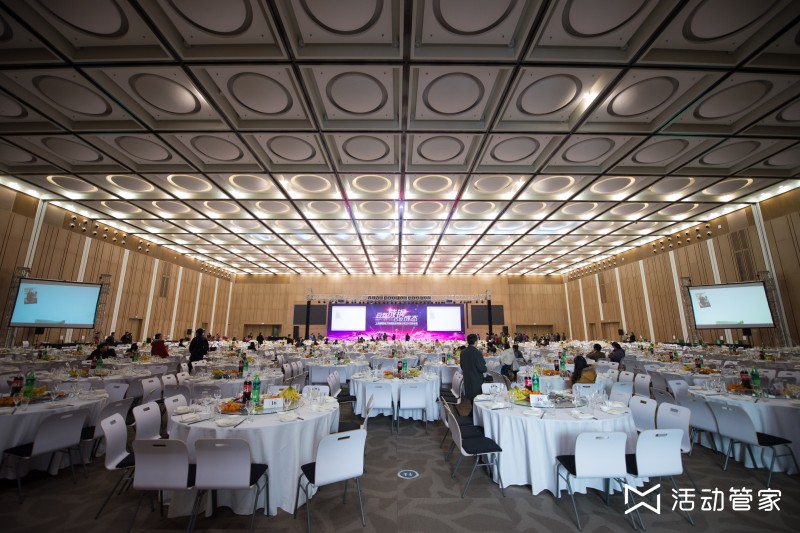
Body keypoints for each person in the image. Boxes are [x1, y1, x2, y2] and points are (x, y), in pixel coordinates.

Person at [460, 333, 487, 413]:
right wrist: (486, 368)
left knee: (471, 398)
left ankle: (473, 412)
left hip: (467, 377)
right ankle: (476, 414)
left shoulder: (463, 352)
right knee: (477, 398)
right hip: (476, 378)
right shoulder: (477, 353)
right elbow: (481, 368)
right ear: (476, 341)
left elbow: (462, 366)